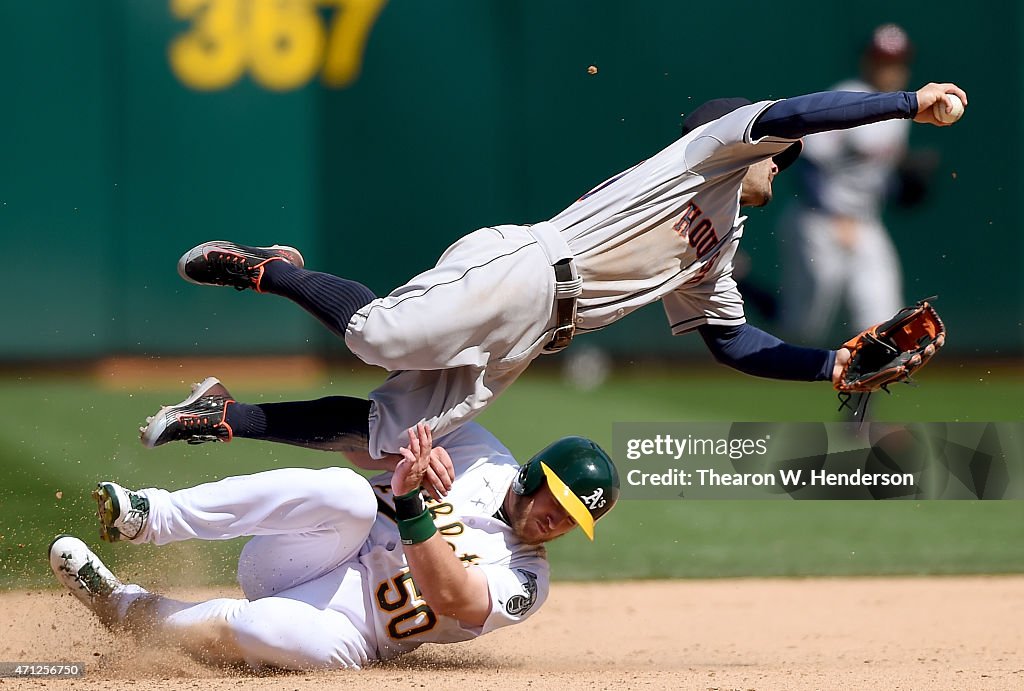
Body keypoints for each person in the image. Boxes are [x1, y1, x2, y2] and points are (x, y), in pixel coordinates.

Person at [145, 80, 964, 458]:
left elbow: (731, 342)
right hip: (526, 268)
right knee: (378, 333)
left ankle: (225, 415)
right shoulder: (705, 151)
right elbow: (795, 114)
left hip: (536, 333)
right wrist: (906, 103)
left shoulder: (719, 239)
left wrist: (830, 365)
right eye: (773, 153)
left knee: (390, 438)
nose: (779, 163)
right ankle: (276, 271)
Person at [50, 418, 620, 670]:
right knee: (350, 494)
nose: (558, 522)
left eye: (574, 521)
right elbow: (362, 434)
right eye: (560, 503)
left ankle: (125, 607)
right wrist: (400, 453)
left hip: (353, 632)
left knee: (252, 629)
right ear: (533, 476)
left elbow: (453, 598)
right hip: (308, 552)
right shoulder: (478, 452)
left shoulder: (528, 580)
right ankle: (153, 515)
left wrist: (411, 501)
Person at [778, 24, 925, 341]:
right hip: (818, 219)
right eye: (883, 61)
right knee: (803, 325)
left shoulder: (902, 109)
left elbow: (874, 178)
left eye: (897, 62)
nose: (890, 69)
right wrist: (833, 214)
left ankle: (867, 386)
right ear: (868, 62)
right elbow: (807, 161)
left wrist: (904, 188)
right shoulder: (848, 97)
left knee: (884, 319)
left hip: (865, 222)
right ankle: (744, 281)